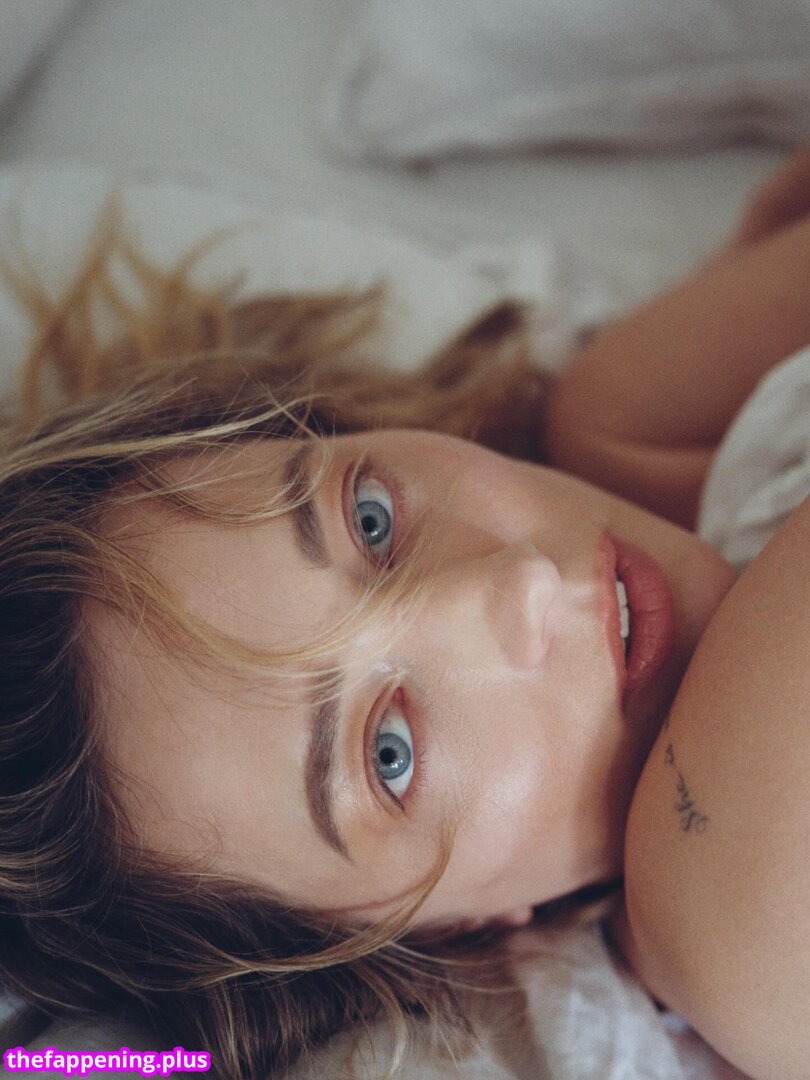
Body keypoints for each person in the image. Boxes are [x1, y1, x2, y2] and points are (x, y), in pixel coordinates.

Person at [0, 145, 807, 1080]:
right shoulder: (731, 913)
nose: (518, 584)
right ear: (437, 930)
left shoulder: (631, 426)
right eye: (391, 754)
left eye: (371, 519)